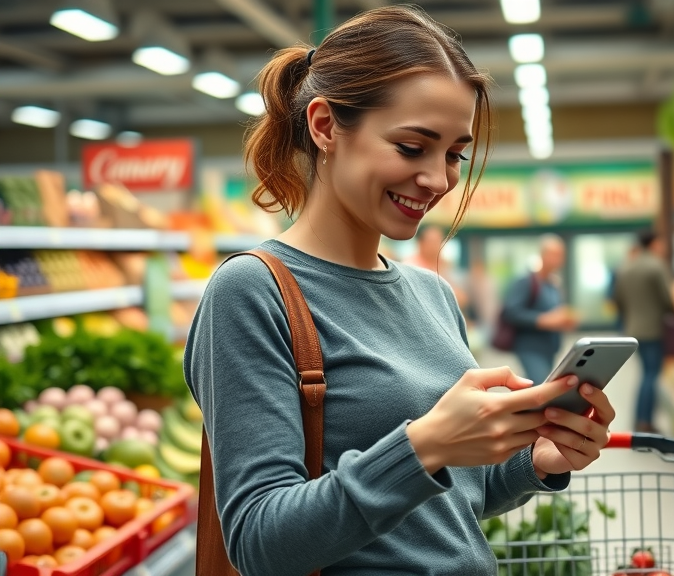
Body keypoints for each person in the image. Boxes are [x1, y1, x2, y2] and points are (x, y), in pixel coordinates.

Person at [183, 7, 615, 576]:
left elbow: (451, 506)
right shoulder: (252, 291)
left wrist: (534, 462)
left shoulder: (430, 294)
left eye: (455, 154)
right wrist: (425, 445)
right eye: (413, 147)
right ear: (324, 126)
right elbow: (261, 543)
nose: (438, 179)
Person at [613, 230, 674, 433]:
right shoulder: (656, 266)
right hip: (653, 329)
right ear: (655, 243)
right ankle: (645, 422)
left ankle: (639, 420)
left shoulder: (626, 267)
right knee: (651, 375)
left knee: (644, 374)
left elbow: (619, 300)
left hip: (633, 329)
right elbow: (668, 300)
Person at [501, 234, 579, 384]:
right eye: (554, 254)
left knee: (535, 387)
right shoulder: (527, 281)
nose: (558, 259)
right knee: (541, 386)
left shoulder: (553, 284)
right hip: (530, 347)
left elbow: (554, 314)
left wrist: (563, 321)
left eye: (561, 255)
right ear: (542, 255)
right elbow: (511, 312)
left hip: (549, 348)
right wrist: (542, 320)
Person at [403, 224, 468, 309]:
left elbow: (462, 298)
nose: (436, 246)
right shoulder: (410, 265)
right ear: (421, 243)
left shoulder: (444, 265)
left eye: (439, 241)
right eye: (432, 241)